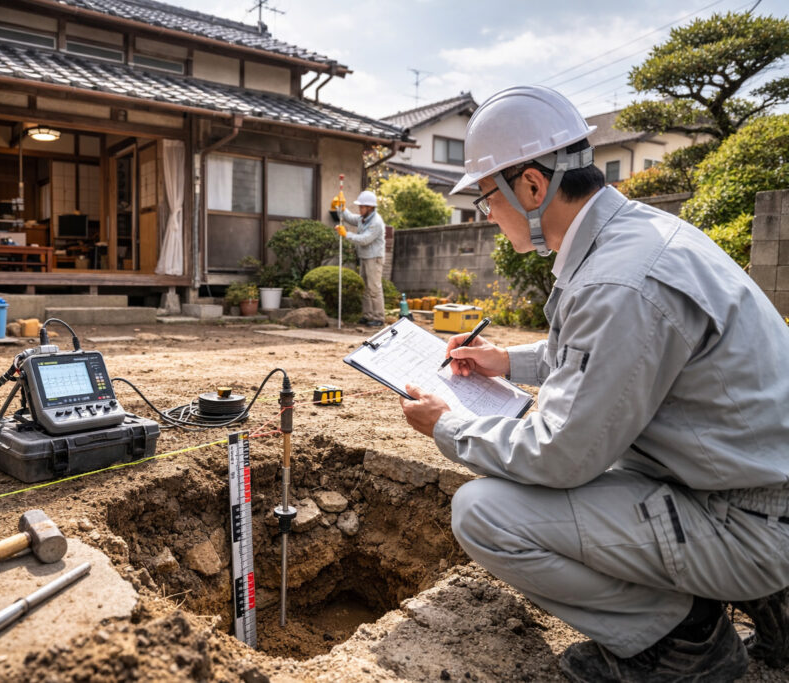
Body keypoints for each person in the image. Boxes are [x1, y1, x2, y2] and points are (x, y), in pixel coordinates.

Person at [399, 85, 789, 682]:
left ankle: (681, 643)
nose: (487, 216)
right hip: (755, 491)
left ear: (532, 186)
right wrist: (505, 362)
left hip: (747, 523)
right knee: (609, 457)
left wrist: (446, 425)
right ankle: (774, 603)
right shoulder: (640, 237)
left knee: (484, 512)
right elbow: (598, 356)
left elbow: (560, 456)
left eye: (486, 200)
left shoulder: (619, 282)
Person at [336, 190, 386, 327]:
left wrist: (346, 235)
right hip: (365, 257)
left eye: (362, 206)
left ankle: (379, 317)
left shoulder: (376, 222)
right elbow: (349, 217)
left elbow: (365, 240)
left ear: (370, 207)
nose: (360, 208)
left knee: (374, 288)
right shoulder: (363, 219)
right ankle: (367, 315)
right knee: (364, 287)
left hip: (374, 258)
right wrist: (340, 207)